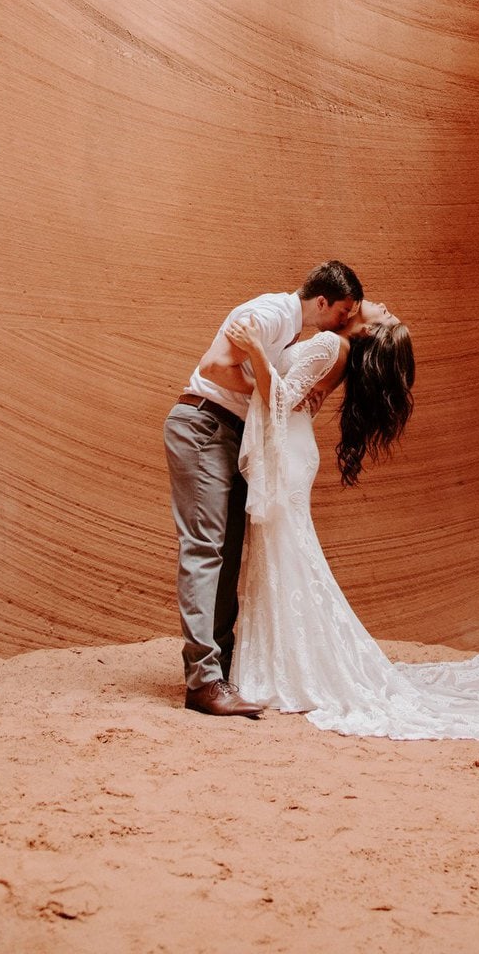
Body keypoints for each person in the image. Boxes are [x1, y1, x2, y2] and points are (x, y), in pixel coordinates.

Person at [226, 304, 479, 739]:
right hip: (291, 448)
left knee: (288, 559)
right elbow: (290, 393)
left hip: (289, 454)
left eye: (384, 312)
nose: (383, 303)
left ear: (366, 324)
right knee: (286, 559)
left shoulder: (333, 343)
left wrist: (256, 347)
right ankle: (280, 664)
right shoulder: (336, 345)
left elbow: (279, 399)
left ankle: (285, 670)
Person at [163, 261, 364, 718]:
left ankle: (222, 667)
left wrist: (282, 394)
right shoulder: (273, 313)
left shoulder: (290, 330)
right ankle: (204, 681)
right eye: (342, 311)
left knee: (228, 552)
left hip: (227, 433)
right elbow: (214, 367)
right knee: (205, 548)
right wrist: (270, 393)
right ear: (322, 302)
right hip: (203, 427)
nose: (343, 321)